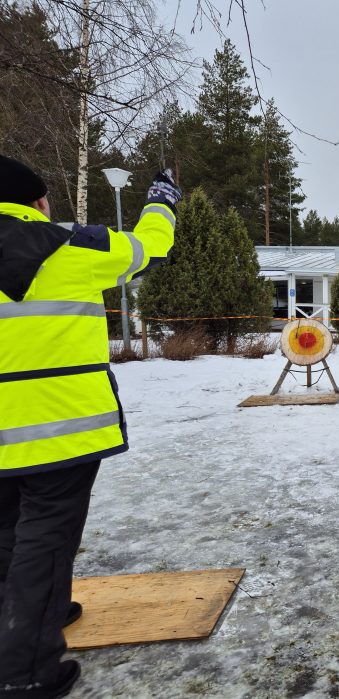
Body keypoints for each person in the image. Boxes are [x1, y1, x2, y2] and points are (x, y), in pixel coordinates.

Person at [0, 155, 180, 697]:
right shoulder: (73, 245)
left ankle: (37, 616)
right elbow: (150, 245)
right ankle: (25, 669)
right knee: (45, 539)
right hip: (60, 428)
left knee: (6, 534)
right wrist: (162, 200)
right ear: (37, 202)